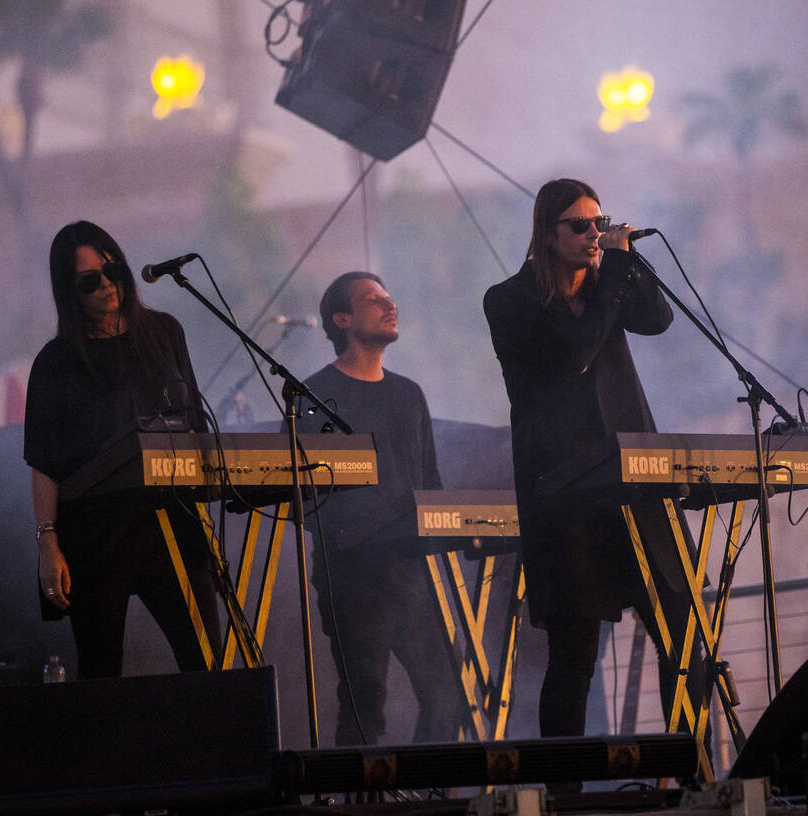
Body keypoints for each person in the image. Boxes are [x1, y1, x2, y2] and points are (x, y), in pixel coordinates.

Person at [482, 179, 708, 746]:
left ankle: (692, 774)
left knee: (684, 636)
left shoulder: (608, 283)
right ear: (547, 234)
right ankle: (565, 791)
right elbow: (576, 354)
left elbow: (658, 319)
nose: (594, 234)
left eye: (599, 222)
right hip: (568, 497)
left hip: (636, 486)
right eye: (579, 226)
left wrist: (626, 265)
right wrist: (611, 275)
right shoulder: (511, 301)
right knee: (575, 655)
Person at [24, 220, 220, 679]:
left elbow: (194, 423)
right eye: (90, 280)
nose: (107, 285)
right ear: (68, 290)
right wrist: (47, 543)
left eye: (113, 270)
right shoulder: (55, 362)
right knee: (100, 671)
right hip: (95, 536)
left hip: (173, 524)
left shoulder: (165, 332)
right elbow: (43, 462)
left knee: (207, 664)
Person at [303, 271, 459, 746]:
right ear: (342, 319)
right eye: (373, 300)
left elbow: (428, 482)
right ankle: (359, 802)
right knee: (365, 699)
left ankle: (428, 799)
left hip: (411, 569)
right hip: (352, 574)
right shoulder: (315, 396)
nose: (389, 306)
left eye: (389, 298)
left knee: (447, 694)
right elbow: (308, 499)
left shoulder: (408, 394)